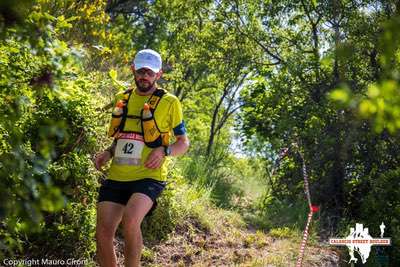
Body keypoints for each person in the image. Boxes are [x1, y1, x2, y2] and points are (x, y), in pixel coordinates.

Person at [94, 49, 189, 267]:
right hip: (117, 175)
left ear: (159, 74)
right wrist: (108, 153)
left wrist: (164, 151)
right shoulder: (122, 98)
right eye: (140, 71)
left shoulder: (169, 102)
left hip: (149, 176)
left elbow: (183, 143)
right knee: (102, 232)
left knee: (130, 220)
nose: (144, 76)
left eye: (149, 72)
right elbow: (121, 136)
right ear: (133, 70)